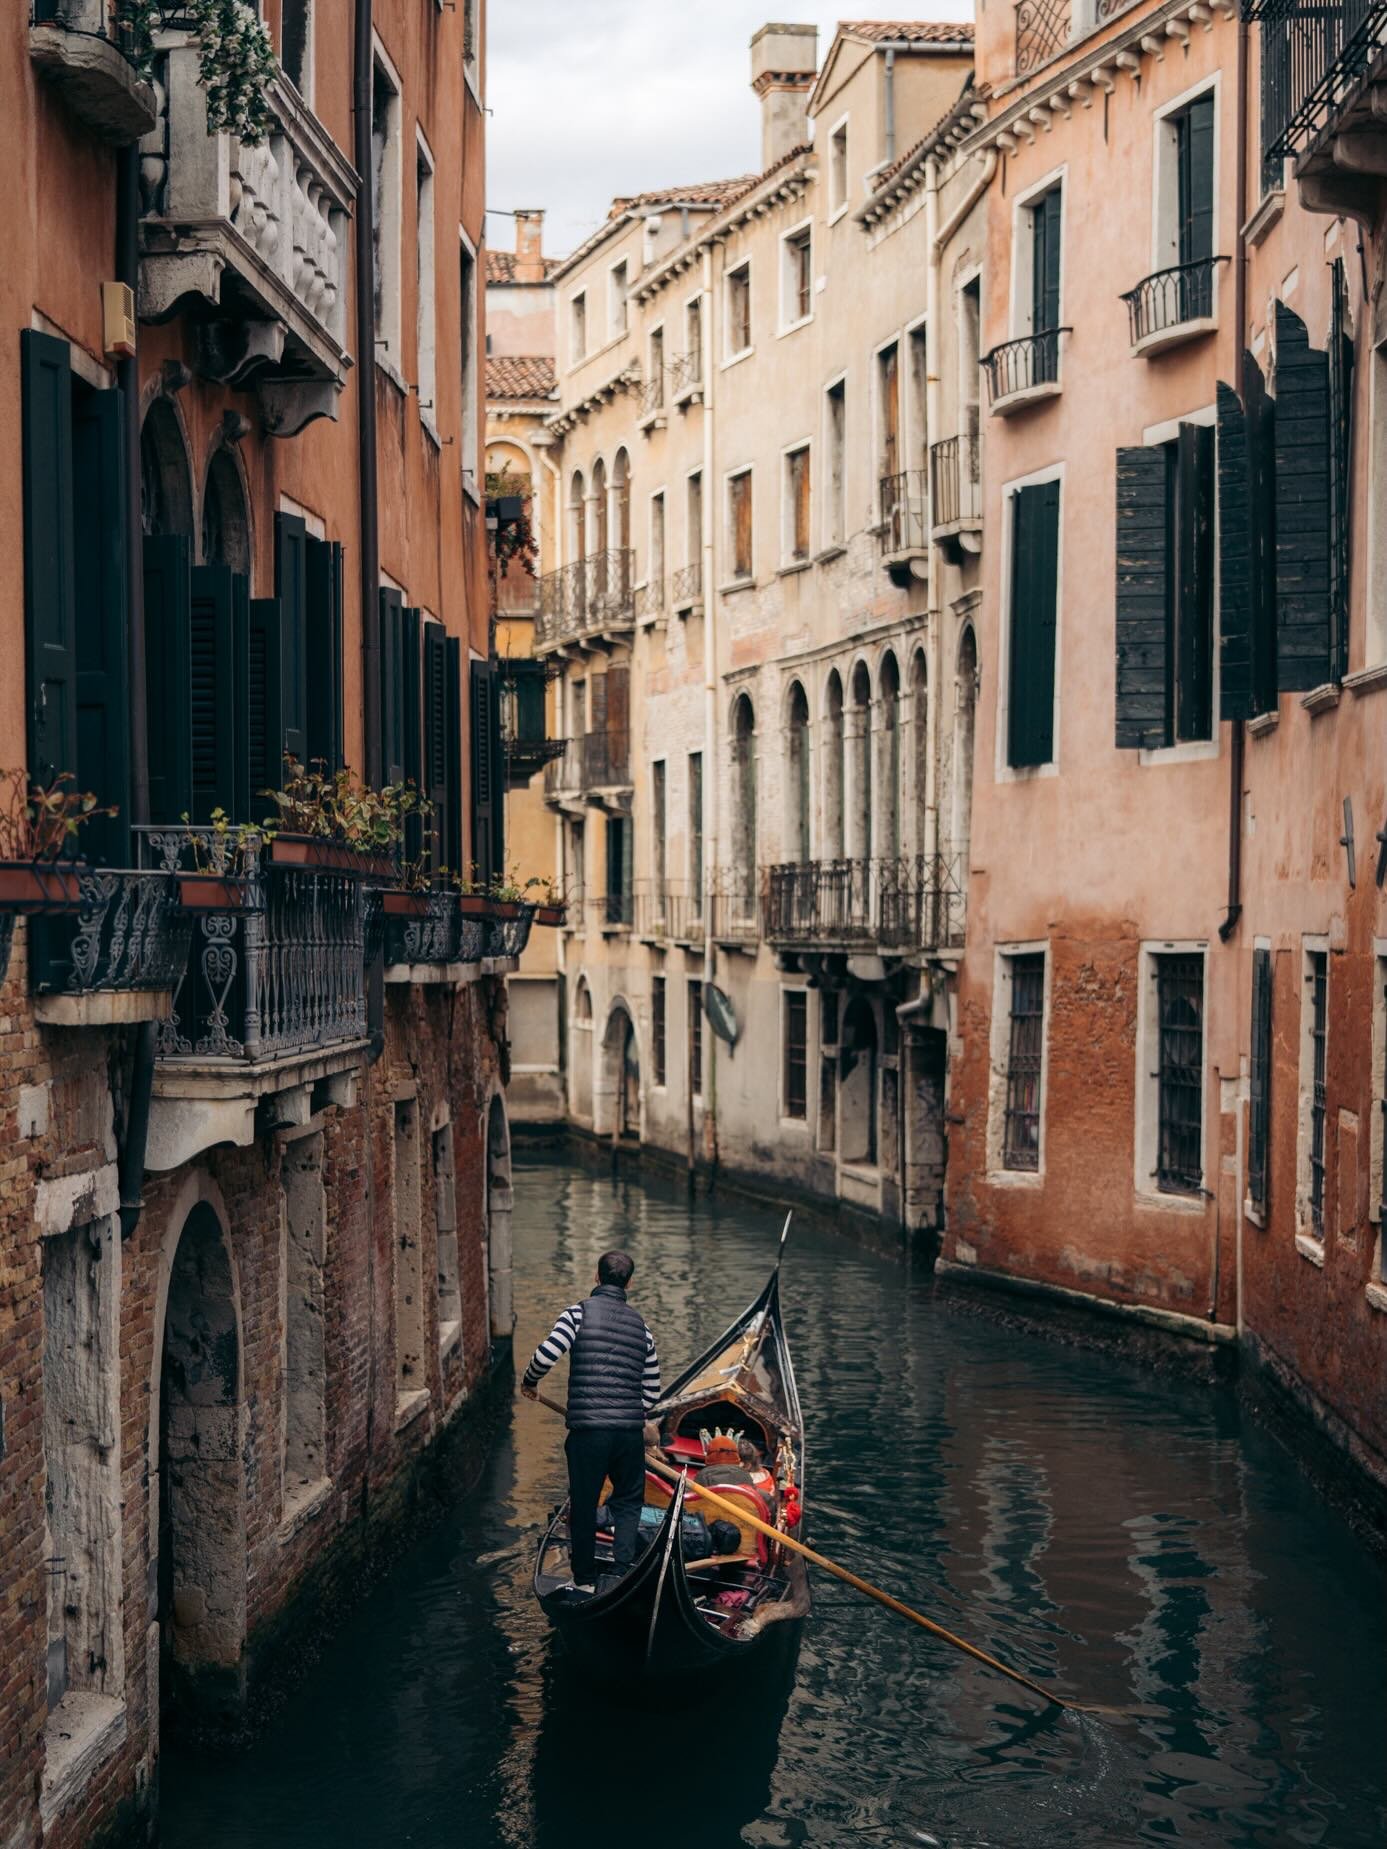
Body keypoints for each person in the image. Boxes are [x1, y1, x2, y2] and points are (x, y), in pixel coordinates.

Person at [521, 1250, 660, 1595]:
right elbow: (652, 1391)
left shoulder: (577, 1313)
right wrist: (628, 1411)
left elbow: (546, 1355)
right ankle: (621, 1573)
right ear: (630, 1283)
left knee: (583, 1504)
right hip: (628, 1434)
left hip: (589, 1434)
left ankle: (584, 1580)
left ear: (596, 1277)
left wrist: (530, 1381)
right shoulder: (643, 1328)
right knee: (628, 1503)